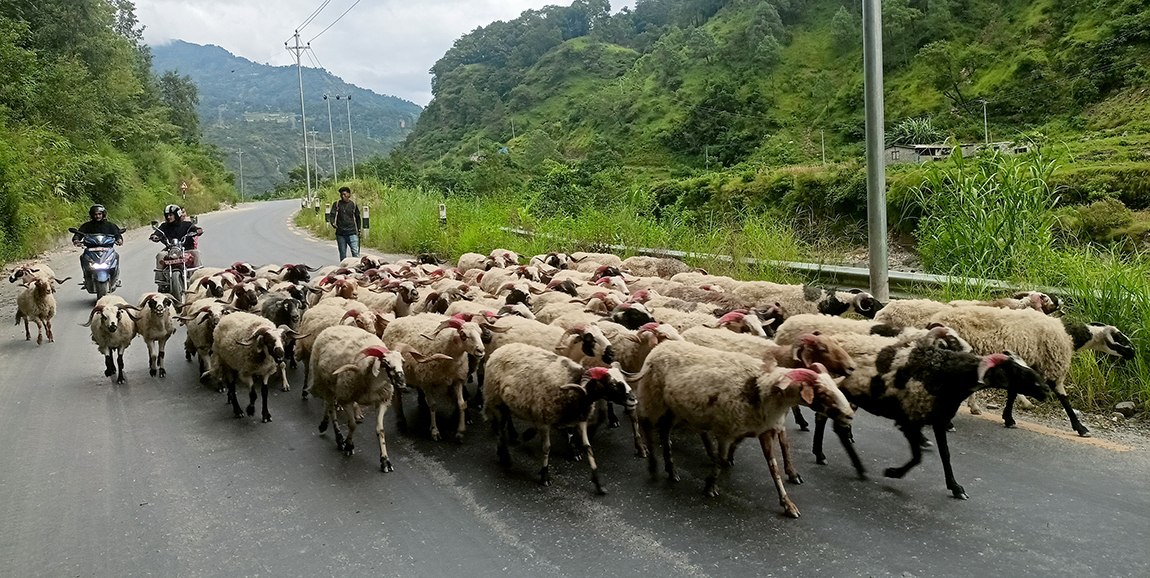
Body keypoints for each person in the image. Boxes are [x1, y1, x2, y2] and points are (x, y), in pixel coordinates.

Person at [150, 204, 203, 288]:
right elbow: (158, 233)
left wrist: (198, 230)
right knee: (160, 255)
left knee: (197, 253)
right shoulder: (164, 226)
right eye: (167, 215)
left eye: (171, 215)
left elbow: (195, 228)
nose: (168, 217)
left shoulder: (187, 225)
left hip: (186, 250)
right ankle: (161, 281)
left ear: (177, 214)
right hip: (170, 251)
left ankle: (198, 276)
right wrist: (155, 236)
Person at [327, 186, 362, 260]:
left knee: (355, 252)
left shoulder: (353, 205)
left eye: (344, 194)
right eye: (341, 195)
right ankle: (344, 270)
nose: (343, 196)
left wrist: (359, 230)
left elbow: (358, 218)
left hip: (352, 232)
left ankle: (357, 269)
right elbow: (332, 215)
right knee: (343, 254)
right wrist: (333, 223)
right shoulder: (337, 204)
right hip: (340, 233)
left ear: (349, 195)